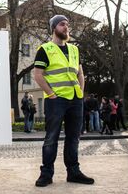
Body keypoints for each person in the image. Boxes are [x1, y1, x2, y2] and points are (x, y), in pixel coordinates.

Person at [33, 15, 94, 187]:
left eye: (67, 24)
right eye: (62, 24)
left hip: (75, 99)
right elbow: (38, 75)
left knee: (73, 137)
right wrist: (51, 94)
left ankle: (73, 172)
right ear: (54, 28)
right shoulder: (45, 49)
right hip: (56, 100)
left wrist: (80, 93)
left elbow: (80, 73)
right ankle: (46, 174)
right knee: (51, 137)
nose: (66, 27)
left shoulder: (75, 49)